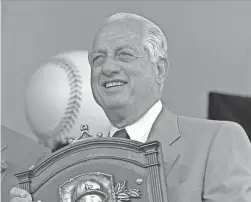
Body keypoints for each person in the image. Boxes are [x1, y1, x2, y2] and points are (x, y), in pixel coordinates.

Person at [10, 13, 251, 202]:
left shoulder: (218, 141)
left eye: (124, 55)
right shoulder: (71, 164)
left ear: (160, 69)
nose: (107, 68)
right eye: (97, 59)